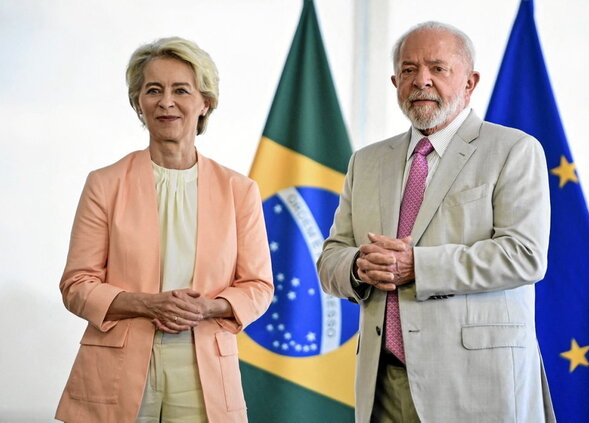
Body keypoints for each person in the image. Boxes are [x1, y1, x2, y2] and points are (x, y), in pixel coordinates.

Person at [317, 22, 555, 422]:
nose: (420, 80)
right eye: (408, 70)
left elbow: (525, 256)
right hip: (384, 386)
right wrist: (359, 266)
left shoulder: (513, 150)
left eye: (437, 68)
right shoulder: (367, 161)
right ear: (395, 81)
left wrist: (418, 265)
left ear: (470, 82)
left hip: (478, 385)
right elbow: (330, 259)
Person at [55, 37, 274, 423]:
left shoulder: (239, 190)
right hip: (117, 367)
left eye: (180, 90)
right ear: (138, 102)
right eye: (153, 90)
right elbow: (77, 285)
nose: (166, 101)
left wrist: (208, 307)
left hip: (205, 368)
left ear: (205, 102)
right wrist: (147, 304)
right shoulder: (104, 184)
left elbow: (258, 287)